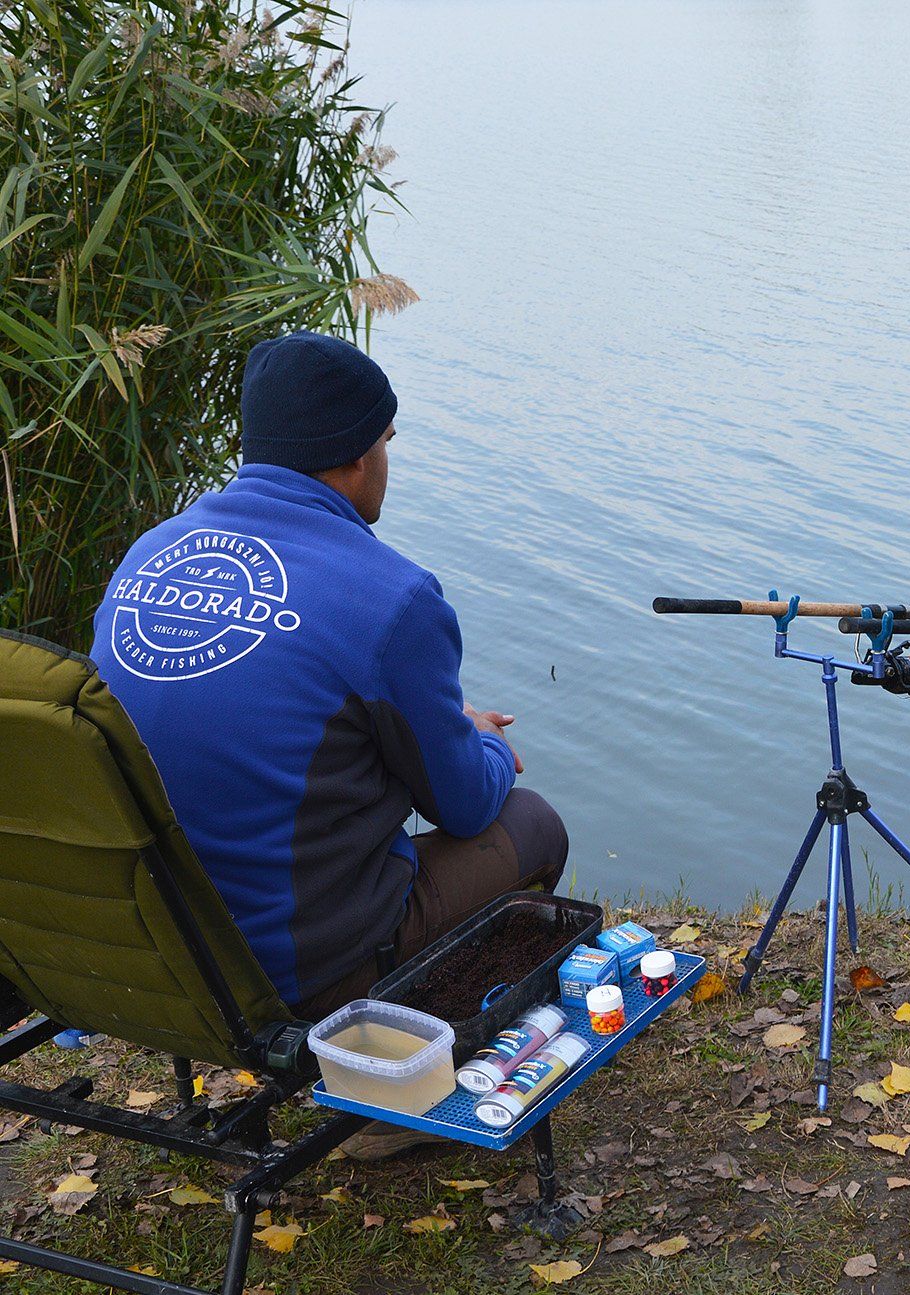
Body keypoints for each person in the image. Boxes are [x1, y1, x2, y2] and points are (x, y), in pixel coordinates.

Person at [90, 331, 568, 1037]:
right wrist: (482, 739)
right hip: (291, 974)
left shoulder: (147, 556)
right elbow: (464, 806)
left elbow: (268, 704)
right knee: (533, 825)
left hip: (158, 948)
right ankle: (388, 1060)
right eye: (387, 442)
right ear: (353, 455)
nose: (386, 462)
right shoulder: (393, 597)